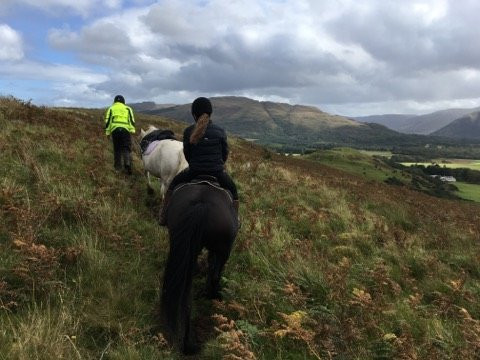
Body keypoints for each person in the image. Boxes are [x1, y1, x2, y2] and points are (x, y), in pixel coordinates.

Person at [159, 97, 239, 226]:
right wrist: (217, 165)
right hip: (217, 172)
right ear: (210, 113)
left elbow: (187, 154)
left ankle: (164, 216)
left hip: (193, 172)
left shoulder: (188, 131)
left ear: (194, 114)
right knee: (233, 191)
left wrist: (195, 164)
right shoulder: (220, 131)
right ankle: (236, 220)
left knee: (173, 185)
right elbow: (224, 155)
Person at [104, 95, 136, 174]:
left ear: (115, 101)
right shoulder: (128, 109)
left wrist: (107, 133)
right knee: (126, 148)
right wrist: (132, 130)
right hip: (125, 130)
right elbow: (131, 120)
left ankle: (118, 169)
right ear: (123, 102)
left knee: (117, 149)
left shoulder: (111, 108)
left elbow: (108, 121)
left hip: (115, 130)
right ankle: (127, 163)